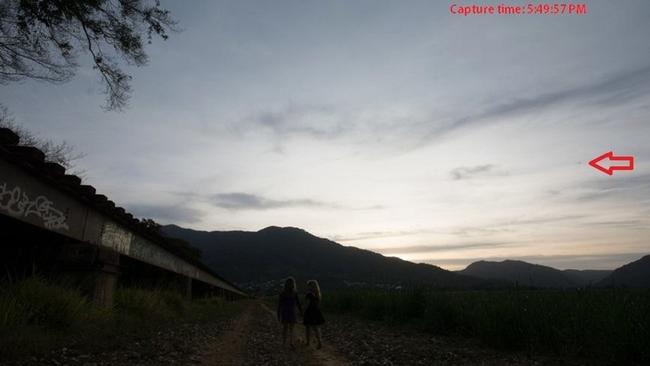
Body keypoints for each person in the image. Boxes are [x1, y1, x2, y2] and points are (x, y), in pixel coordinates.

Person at [277, 277, 302, 349]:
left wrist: (278, 314)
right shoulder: (295, 293)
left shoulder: (282, 293)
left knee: (285, 328)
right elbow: (298, 303)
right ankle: (291, 342)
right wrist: (301, 312)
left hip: (285, 311)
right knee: (291, 329)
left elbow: (279, 305)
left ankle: (284, 343)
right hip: (292, 311)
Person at [303, 280, 325, 349]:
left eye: (308, 285)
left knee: (308, 328)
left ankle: (308, 342)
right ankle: (319, 342)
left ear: (310, 286)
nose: (307, 287)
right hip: (316, 311)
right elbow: (317, 304)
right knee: (316, 328)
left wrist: (303, 311)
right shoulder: (318, 294)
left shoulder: (309, 294)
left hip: (309, 312)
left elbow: (306, 304)